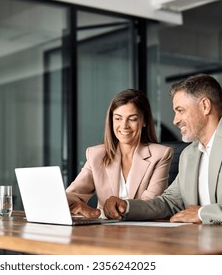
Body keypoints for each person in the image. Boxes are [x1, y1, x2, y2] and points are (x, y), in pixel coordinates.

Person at [103, 74, 222, 226]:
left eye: (180, 110)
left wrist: (202, 213)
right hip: (207, 245)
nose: (175, 120)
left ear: (205, 106)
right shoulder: (190, 154)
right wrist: (126, 206)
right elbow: (170, 202)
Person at [66, 89, 173, 218]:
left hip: (142, 230)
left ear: (144, 121)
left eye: (132, 119)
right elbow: (73, 194)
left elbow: (151, 206)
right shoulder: (96, 154)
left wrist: (122, 206)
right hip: (104, 230)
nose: (124, 126)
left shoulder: (160, 154)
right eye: (118, 118)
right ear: (111, 121)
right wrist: (75, 204)